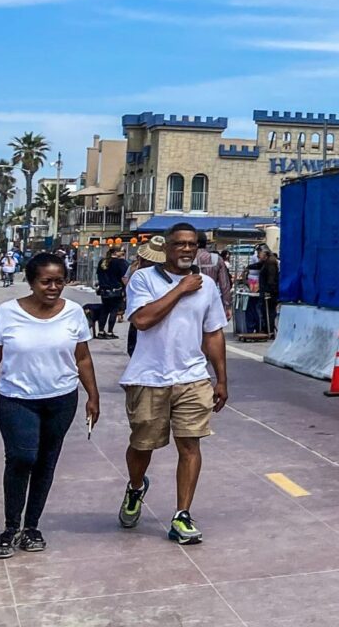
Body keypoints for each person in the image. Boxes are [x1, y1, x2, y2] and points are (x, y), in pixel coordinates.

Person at [0, 252, 100, 559]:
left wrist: (93, 395)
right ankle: (10, 527)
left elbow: (82, 358)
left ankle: (31, 527)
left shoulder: (74, 313)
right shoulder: (7, 313)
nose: (53, 288)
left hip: (61, 399)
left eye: (59, 281)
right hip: (17, 399)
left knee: (46, 463)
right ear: (31, 281)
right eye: (46, 281)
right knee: (22, 458)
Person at [118, 224, 228, 545]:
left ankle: (182, 515)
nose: (187, 249)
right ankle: (136, 487)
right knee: (142, 445)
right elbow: (142, 320)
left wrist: (221, 378)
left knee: (190, 445)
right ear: (166, 248)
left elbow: (213, 333)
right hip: (148, 377)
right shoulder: (143, 279)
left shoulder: (207, 286)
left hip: (192, 378)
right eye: (179, 244)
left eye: (192, 244)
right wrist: (180, 289)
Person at [93, 246, 129, 339]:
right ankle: (110, 332)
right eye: (121, 251)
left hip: (104, 290)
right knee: (114, 311)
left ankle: (101, 331)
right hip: (116, 290)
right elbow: (124, 277)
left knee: (104, 310)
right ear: (116, 252)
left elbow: (99, 275)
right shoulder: (120, 262)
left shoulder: (102, 262)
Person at [247, 246, 280, 335]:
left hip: (270, 292)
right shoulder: (266, 261)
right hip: (266, 291)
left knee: (269, 312)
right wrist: (248, 267)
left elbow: (271, 279)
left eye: (259, 253)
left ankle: (269, 330)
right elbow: (258, 265)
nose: (258, 256)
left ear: (265, 253)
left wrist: (268, 291)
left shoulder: (271, 262)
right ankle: (267, 329)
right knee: (265, 312)